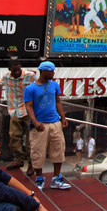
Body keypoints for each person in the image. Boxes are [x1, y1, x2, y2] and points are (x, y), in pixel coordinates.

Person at [0, 59, 38, 174]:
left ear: (20, 68)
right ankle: (18, 159)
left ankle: (32, 163)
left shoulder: (30, 75)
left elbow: (38, 87)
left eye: (18, 70)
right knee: (13, 137)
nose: (16, 73)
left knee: (30, 139)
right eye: (14, 71)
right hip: (14, 110)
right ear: (10, 70)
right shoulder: (7, 77)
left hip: (28, 110)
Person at [24, 61, 71, 191]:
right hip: (40, 125)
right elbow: (28, 106)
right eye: (51, 71)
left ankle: (56, 178)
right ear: (44, 71)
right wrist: (35, 122)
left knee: (58, 150)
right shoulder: (30, 88)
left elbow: (58, 102)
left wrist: (63, 117)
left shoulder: (54, 85)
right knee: (38, 152)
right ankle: (39, 178)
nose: (53, 73)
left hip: (55, 122)